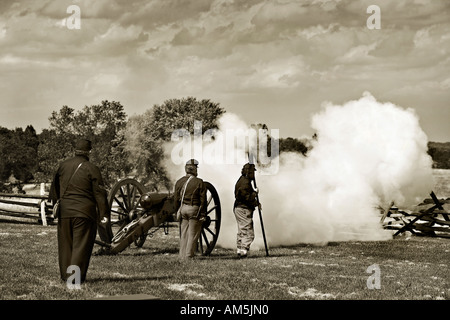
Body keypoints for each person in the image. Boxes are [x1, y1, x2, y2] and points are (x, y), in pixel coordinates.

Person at [49, 138, 109, 284]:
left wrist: (57, 203)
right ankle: (74, 279)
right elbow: (100, 193)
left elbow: (54, 189)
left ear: (75, 150)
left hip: (65, 212)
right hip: (84, 213)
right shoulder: (92, 168)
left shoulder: (63, 166)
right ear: (89, 151)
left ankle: (66, 276)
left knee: (66, 246)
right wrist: (104, 214)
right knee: (80, 246)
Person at [174, 159, 207, 259]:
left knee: (183, 234)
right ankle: (189, 256)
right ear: (194, 170)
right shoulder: (199, 182)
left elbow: (176, 199)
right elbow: (203, 200)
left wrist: (177, 210)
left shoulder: (179, 182)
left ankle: (182, 255)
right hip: (194, 209)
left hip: (183, 209)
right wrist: (203, 214)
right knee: (193, 234)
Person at [233, 163, 261, 258]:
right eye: (253, 172)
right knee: (248, 231)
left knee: (242, 230)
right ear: (249, 172)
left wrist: (256, 203)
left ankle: (240, 249)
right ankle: (244, 250)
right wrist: (255, 193)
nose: (254, 175)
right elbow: (247, 198)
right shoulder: (245, 183)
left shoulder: (242, 180)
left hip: (239, 208)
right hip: (243, 208)